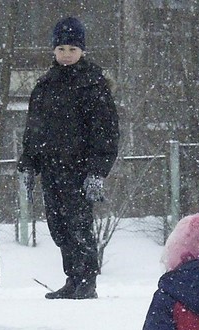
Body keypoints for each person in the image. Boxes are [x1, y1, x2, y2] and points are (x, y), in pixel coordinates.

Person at [17, 16, 119, 301]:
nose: (66, 55)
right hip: (51, 168)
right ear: (54, 50)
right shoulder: (45, 85)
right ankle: (72, 279)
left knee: (79, 225)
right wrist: (28, 164)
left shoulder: (93, 85)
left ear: (82, 51)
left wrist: (97, 171)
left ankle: (87, 281)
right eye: (61, 49)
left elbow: (106, 133)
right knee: (58, 226)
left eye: (71, 50)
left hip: (79, 169)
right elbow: (34, 129)